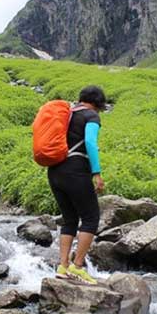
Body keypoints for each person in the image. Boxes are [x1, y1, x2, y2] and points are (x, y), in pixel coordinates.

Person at [48, 86, 108, 284]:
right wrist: (96, 173)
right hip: (76, 170)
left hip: (55, 171)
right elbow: (90, 143)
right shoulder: (91, 116)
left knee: (69, 219)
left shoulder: (66, 114)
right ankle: (78, 266)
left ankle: (63, 266)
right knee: (91, 217)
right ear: (97, 103)